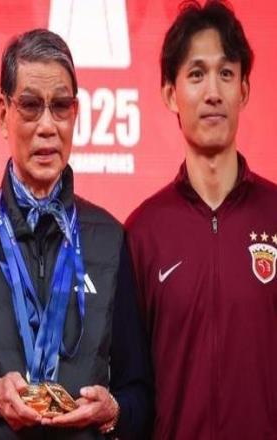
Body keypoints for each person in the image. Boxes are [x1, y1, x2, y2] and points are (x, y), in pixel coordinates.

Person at [0, 29, 152, 439]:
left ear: (76, 113)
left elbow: (141, 397)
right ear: (3, 113)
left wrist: (114, 411)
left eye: (60, 107)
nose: (47, 126)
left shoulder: (110, 239)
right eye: (31, 106)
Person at [126, 1, 277, 438]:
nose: (213, 92)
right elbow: (130, 390)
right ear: (169, 93)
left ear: (244, 90)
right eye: (196, 74)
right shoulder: (142, 233)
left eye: (226, 73)